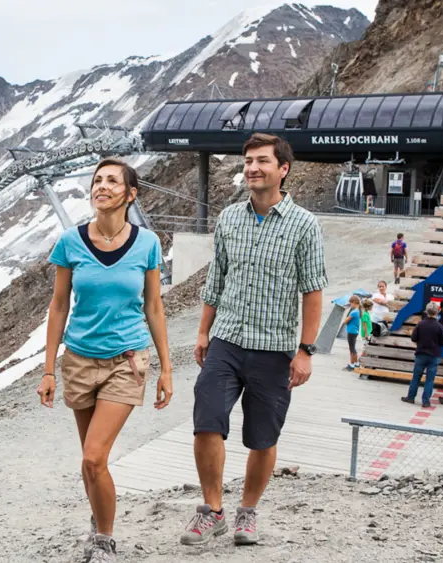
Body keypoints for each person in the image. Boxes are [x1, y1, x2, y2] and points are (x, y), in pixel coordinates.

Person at [180, 132, 328, 548]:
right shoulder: (229, 218)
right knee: (206, 422)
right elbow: (216, 280)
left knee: (263, 438)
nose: (252, 168)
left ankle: (248, 512)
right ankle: (213, 511)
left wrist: (305, 351)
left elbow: (312, 291)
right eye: (248, 161)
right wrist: (203, 330)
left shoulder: (305, 226)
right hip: (226, 339)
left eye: (262, 161)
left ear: (283, 169)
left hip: (276, 348)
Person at [37, 157, 174, 563]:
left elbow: (154, 307)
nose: (102, 186)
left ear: (130, 194)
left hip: (126, 361)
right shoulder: (70, 241)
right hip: (79, 361)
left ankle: (104, 540)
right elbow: (59, 306)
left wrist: (167, 369)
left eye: (113, 181)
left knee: (94, 456)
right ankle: (99, 521)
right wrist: (48, 369)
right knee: (90, 463)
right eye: (98, 180)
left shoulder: (147, 243)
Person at [402, 302, 443, 407]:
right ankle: (426, 401)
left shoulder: (420, 324)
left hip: (421, 353)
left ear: (426, 312)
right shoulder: (440, 327)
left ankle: (411, 397)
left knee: (416, 377)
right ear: (437, 312)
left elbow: (413, 338)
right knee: (430, 379)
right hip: (434, 355)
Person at [339, 295, 361, 370]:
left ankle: (351, 365)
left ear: (354, 303)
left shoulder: (353, 312)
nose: (350, 305)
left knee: (352, 349)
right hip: (355, 331)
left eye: (351, 303)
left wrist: (346, 320)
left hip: (351, 331)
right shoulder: (359, 311)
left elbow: (345, 321)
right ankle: (356, 363)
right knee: (353, 348)